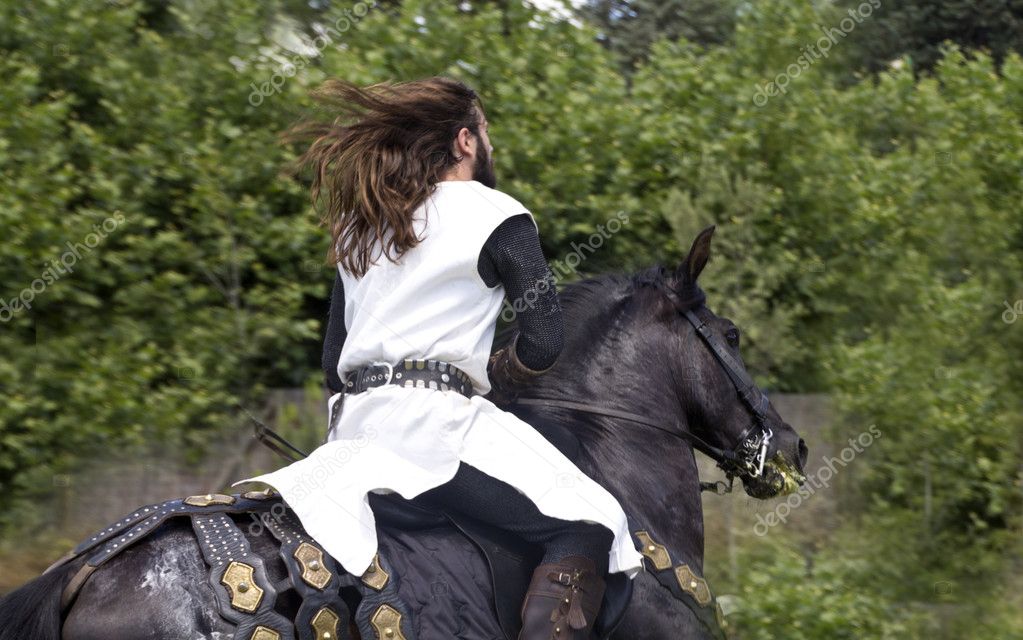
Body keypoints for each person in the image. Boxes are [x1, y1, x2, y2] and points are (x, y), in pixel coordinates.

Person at [234, 76, 643, 640]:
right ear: (465, 141)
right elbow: (545, 338)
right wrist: (505, 371)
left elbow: (334, 364)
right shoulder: (496, 213)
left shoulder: (365, 224)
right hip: (436, 431)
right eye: (486, 131)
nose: (488, 142)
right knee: (588, 528)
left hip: (351, 433)